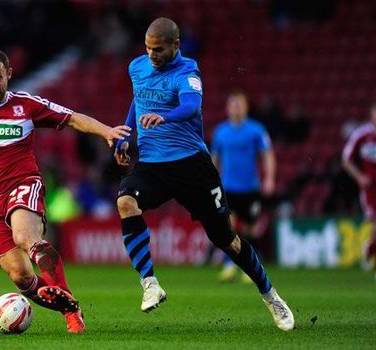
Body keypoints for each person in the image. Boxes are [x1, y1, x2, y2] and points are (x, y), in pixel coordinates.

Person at [0, 49, 131, 333]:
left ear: (9, 74)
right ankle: (71, 307)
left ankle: (68, 309)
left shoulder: (26, 106)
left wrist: (106, 132)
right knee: (21, 275)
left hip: (23, 184)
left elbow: (72, 118)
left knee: (25, 236)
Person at [113, 18, 294, 331]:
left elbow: (191, 106)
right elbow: (138, 98)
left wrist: (165, 117)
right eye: (148, 48)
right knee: (126, 202)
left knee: (228, 241)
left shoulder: (187, 72)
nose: (152, 54)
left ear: (176, 46)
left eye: (159, 49)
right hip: (153, 164)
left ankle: (270, 296)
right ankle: (150, 283)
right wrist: (125, 135)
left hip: (192, 166)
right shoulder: (137, 67)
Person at [211, 91, 276, 283]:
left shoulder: (257, 130)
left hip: (250, 187)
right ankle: (230, 265)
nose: (236, 108)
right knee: (228, 227)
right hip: (228, 187)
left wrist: (269, 178)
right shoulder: (220, 132)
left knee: (251, 229)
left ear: (246, 107)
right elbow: (214, 159)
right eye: (233, 104)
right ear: (227, 108)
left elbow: (268, 155)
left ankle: (251, 266)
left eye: (240, 104)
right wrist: (212, 183)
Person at [342, 98, 376, 284]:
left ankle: (370, 248)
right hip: (372, 190)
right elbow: (346, 159)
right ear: (371, 114)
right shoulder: (362, 135)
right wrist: (360, 177)